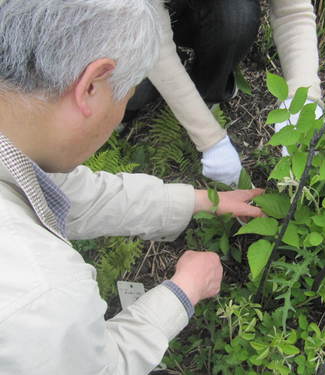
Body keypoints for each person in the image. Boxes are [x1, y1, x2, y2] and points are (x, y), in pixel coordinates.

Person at [0, 1, 264, 374]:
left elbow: (73, 195)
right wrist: (184, 291)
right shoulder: (44, 294)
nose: (121, 113)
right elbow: (102, 367)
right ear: (91, 85)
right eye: (126, 97)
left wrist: (202, 200)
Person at [127, 0, 324, 186]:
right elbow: (156, 41)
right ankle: (120, 114)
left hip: (205, 11)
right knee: (135, 89)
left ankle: (207, 93)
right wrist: (210, 140)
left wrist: (304, 93)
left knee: (237, 18)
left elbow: (292, 13)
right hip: (131, 16)